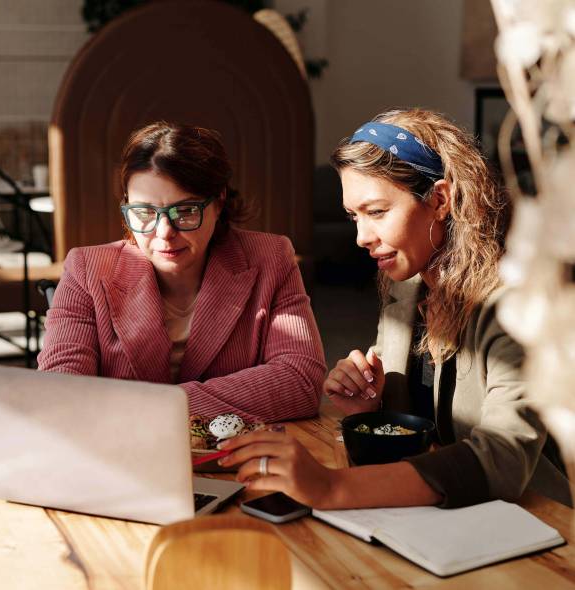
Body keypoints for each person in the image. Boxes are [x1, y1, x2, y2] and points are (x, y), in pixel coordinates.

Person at [218, 108, 572, 508]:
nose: (361, 237)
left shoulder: (520, 308)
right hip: (440, 517)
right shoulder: (406, 292)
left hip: (537, 524)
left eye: (377, 212)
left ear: (440, 200)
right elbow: (421, 433)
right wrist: (371, 406)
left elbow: (503, 458)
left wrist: (332, 488)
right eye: (353, 216)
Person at [38, 121, 326, 422]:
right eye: (145, 212)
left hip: (237, 460)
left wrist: (160, 405)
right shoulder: (87, 269)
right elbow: (61, 393)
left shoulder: (270, 258)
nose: (164, 232)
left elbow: (301, 380)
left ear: (218, 202)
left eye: (186, 211)